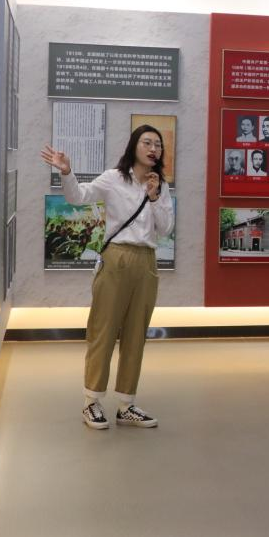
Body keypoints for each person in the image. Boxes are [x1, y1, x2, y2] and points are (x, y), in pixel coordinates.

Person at [41, 126, 174, 430]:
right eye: (147, 142)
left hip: (146, 262)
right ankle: (91, 401)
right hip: (116, 258)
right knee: (103, 329)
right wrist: (67, 172)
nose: (153, 149)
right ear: (134, 146)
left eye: (158, 145)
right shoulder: (114, 178)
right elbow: (78, 197)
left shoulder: (160, 185)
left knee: (136, 335)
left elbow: (165, 229)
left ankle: (126, 404)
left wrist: (154, 197)